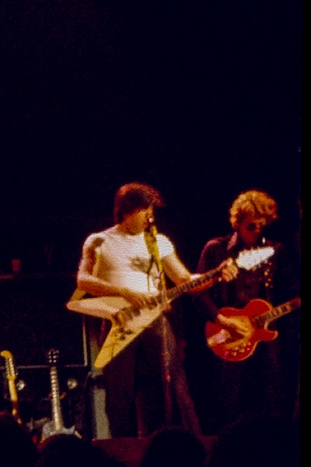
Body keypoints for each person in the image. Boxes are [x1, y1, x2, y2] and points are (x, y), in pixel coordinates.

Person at [74, 182, 235, 438]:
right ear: (128, 211)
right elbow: (83, 280)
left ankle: (173, 444)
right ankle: (121, 451)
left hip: (155, 321)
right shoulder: (99, 240)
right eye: (145, 211)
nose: (151, 217)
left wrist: (215, 276)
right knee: (119, 393)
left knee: (170, 386)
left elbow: (183, 280)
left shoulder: (158, 241)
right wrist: (124, 292)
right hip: (119, 321)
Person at [188, 190, 299, 434]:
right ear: (237, 222)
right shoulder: (216, 250)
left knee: (268, 399)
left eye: (262, 226)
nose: (257, 232)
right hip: (225, 335)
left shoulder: (275, 251)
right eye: (251, 226)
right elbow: (196, 293)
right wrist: (222, 319)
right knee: (229, 403)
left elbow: (290, 292)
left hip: (263, 339)